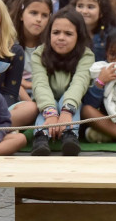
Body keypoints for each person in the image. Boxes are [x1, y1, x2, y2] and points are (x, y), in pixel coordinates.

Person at [30, 8, 95, 156]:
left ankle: (70, 135)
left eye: (68, 34)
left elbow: (79, 83)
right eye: (56, 32)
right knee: (49, 103)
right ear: (49, 34)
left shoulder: (86, 55)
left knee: (71, 101)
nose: (61, 37)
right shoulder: (39, 54)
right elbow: (40, 85)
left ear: (79, 37)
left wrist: (66, 111)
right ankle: (41, 137)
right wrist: (51, 113)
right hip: (46, 101)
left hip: (72, 103)